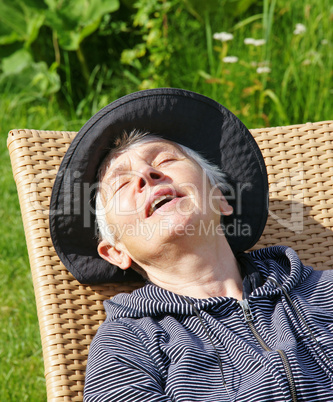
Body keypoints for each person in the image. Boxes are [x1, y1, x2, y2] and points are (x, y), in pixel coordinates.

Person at [50, 88, 333, 401]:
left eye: (167, 159)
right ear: (116, 251)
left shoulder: (323, 290)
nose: (147, 174)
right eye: (121, 183)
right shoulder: (128, 345)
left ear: (222, 199)